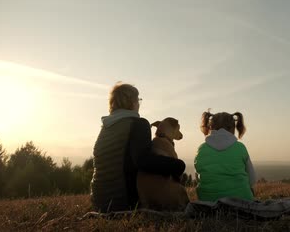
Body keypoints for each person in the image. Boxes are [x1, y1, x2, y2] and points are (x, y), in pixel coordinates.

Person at [90, 82, 186, 212]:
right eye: (138, 99)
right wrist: (178, 165)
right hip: (123, 202)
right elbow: (143, 161)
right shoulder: (138, 124)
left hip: (99, 203)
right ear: (132, 102)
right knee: (176, 168)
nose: (139, 104)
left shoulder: (106, 127)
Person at [194, 110, 257, 201]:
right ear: (233, 128)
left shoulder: (201, 149)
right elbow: (252, 180)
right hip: (241, 201)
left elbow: (199, 178)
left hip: (208, 201)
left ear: (210, 127)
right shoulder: (240, 148)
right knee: (250, 191)